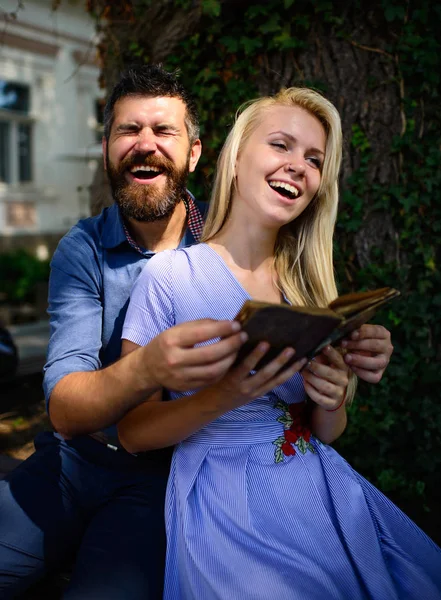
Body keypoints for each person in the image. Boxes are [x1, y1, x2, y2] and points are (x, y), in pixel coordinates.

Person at [0, 66, 394, 600]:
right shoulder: (86, 249)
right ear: (107, 149)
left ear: (196, 153)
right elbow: (66, 408)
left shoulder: (248, 235)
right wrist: (147, 368)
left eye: (164, 132)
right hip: (80, 461)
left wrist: (340, 372)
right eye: (128, 131)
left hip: (165, 478)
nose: (145, 145)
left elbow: (312, 410)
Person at [119, 86, 441, 599]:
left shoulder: (308, 291)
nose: (299, 166)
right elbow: (132, 432)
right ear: (237, 157)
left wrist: (332, 398)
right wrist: (225, 395)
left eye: (314, 159)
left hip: (323, 489)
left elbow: (327, 431)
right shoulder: (170, 277)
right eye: (281, 145)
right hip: (228, 501)